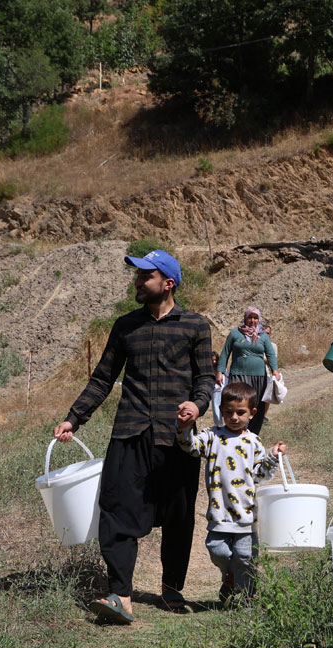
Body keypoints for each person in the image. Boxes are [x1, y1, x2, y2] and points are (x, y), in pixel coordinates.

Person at [53, 249, 214, 624]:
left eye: (146, 276)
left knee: (179, 514)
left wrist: (197, 405)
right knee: (116, 510)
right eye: (137, 276)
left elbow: (205, 377)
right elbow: (102, 379)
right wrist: (74, 418)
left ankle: (172, 586)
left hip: (178, 437)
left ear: (168, 283)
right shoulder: (125, 326)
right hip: (130, 431)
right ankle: (120, 594)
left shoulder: (195, 326)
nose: (138, 282)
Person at [179, 381, 285, 604]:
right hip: (219, 514)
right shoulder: (212, 436)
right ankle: (230, 577)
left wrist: (273, 457)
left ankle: (247, 597)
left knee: (246, 557)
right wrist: (185, 427)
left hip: (245, 516)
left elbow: (260, 475)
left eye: (240, 412)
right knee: (217, 550)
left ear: (252, 413)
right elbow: (190, 446)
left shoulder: (253, 442)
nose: (234, 417)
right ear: (221, 411)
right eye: (229, 412)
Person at [216, 306, 280, 435]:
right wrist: (220, 371)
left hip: (258, 377)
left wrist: (275, 370)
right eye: (250, 317)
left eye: (255, 318)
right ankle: (234, 431)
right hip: (238, 374)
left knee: (256, 404)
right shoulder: (235, 333)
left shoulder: (263, 336)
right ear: (245, 318)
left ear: (259, 319)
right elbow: (225, 353)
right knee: (236, 401)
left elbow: (271, 354)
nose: (252, 320)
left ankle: (253, 434)